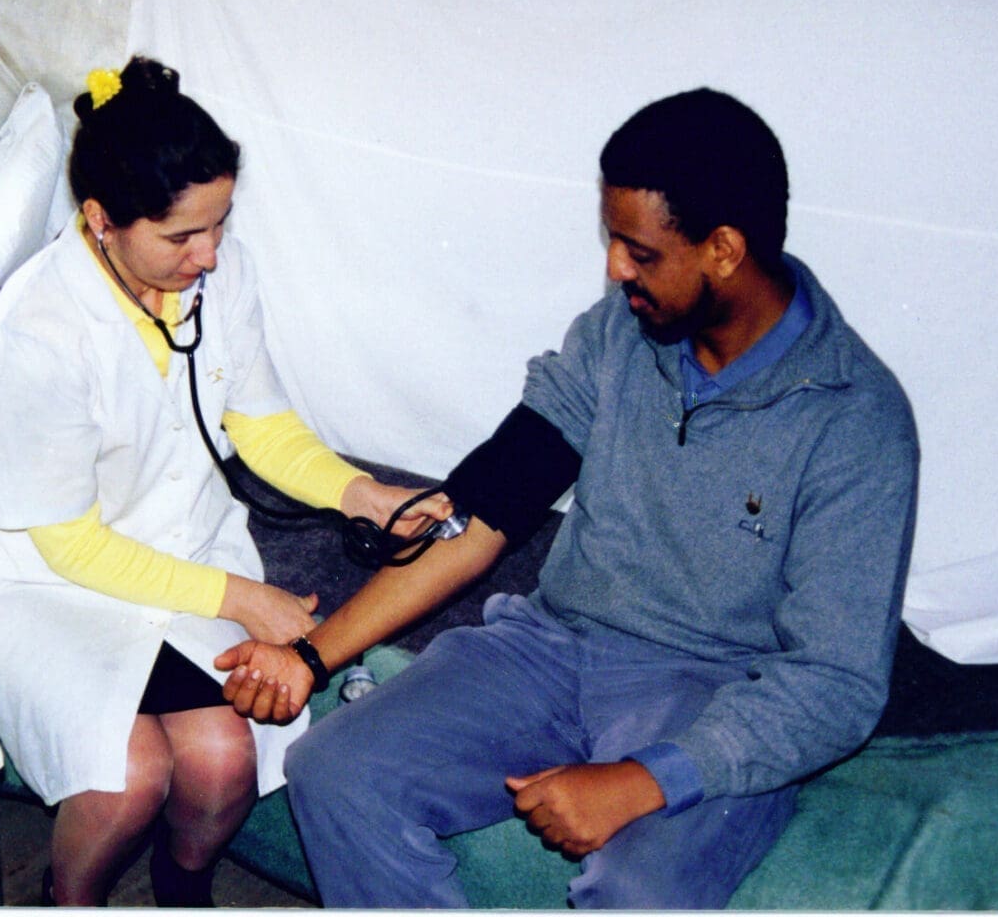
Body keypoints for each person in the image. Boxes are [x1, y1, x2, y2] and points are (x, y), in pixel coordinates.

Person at [215, 88, 921, 908]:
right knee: (333, 769)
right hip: (552, 650)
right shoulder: (619, 335)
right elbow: (481, 516)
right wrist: (309, 658)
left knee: (639, 885)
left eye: (640, 252)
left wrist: (643, 781)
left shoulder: (855, 421)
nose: (615, 270)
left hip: (714, 691)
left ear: (723, 249)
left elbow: (836, 683)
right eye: (613, 243)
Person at [0, 56, 445, 906]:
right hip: (52, 584)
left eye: (219, 225)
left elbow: (256, 420)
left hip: (181, 547)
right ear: (99, 219)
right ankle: (64, 900)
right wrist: (240, 598)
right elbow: (70, 544)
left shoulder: (218, 278)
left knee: (221, 762)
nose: (212, 255)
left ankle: (180, 885)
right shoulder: (37, 334)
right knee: (127, 779)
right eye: (183, 237)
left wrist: (358, 492)